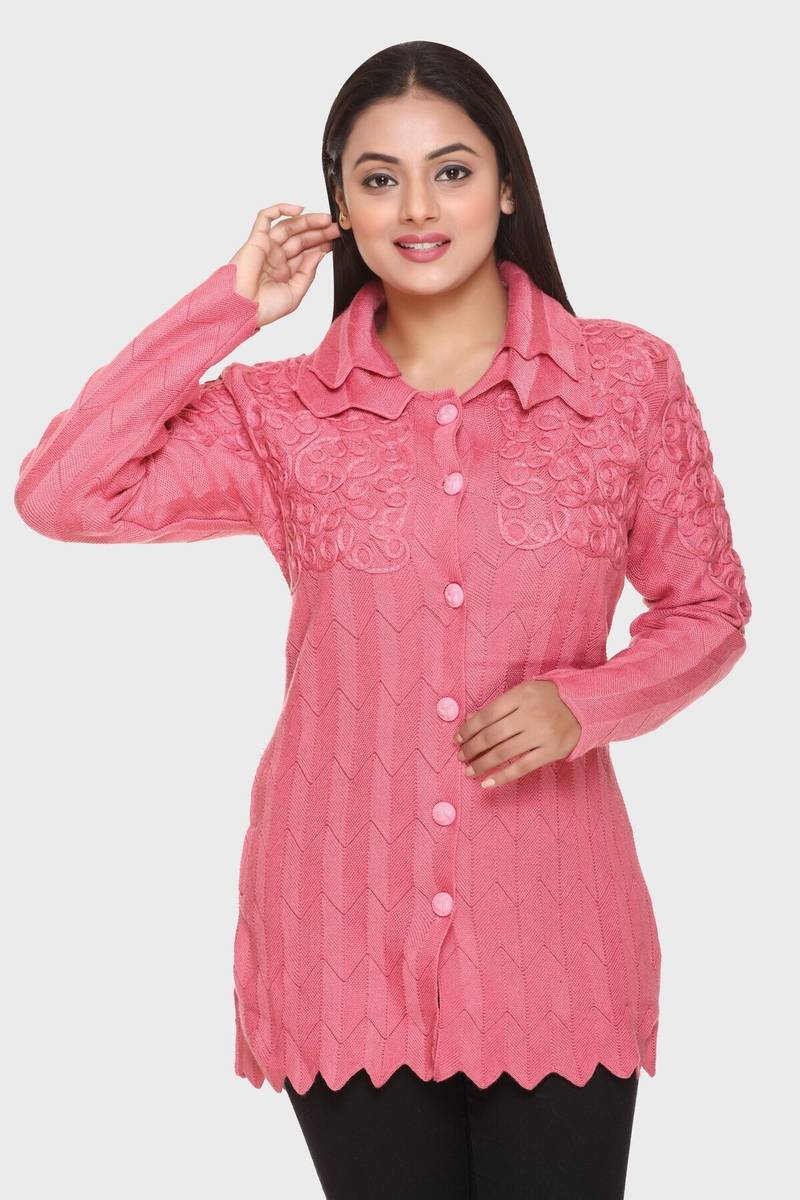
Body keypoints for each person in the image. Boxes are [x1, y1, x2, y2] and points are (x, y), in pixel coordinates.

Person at [14, 39, 751, 1200]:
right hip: (336, 928)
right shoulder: (278, 416)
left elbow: (707, 608)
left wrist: (588, 703)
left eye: (450, 171)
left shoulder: (621, 382)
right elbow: (62, 495)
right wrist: (230, 307)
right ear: (340, 205)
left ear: (504, 186)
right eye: (377, 178)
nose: (416, 208)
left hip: (553, 926)